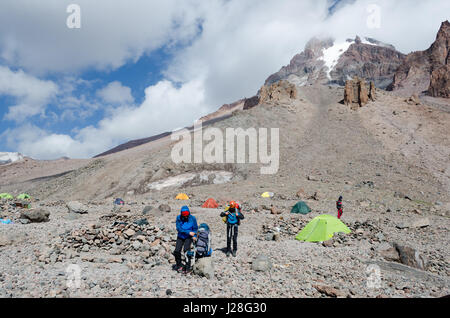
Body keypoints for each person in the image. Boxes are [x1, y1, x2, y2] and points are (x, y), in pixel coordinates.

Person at [174, 205, 198, 274]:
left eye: (187, 216)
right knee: (177, 251)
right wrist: (188, 232)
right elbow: (179, 229)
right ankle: (179, 265)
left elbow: (195, 228)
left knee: (186, 251)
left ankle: (188, 267)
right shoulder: (178, 218)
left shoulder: (192, 218)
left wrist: (194, 235)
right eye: (184, 216)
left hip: (189, 237)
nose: (185, 217)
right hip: (181, 236)